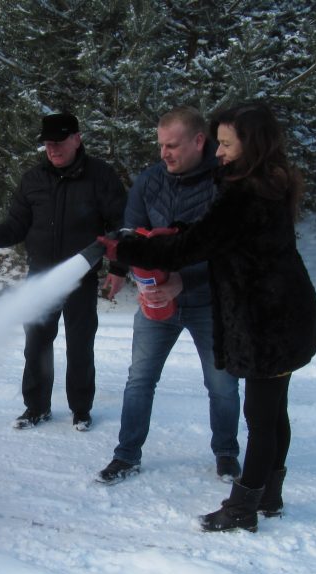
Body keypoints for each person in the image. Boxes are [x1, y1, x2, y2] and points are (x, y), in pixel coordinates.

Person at [101, 102, 316, 532]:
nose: (219, 153)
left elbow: (194, 246)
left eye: (225, 144)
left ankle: (242, 509)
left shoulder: (246, 194)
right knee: (274, 414)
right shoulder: (265, 183)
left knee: (260, 418)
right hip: (284, 313)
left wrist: (127, 252)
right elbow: (205, 235)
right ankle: (270, 496)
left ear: (249, 145)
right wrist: (171, 236)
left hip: (267, 320)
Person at [96, 107, 242, 486]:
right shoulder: (149, 181)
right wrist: (123, 271)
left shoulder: (224, 184)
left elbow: (230, 250)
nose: (164, 153)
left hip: (208, 304)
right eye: (161, 145)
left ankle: (226, 453)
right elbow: (131, 233)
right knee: (139, 380)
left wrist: (184, 282)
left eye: (172, 145)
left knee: (222, 384)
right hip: (155, 302)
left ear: (199, 141)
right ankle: (126, 455)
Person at [0, 112, 126, 430]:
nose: (52, 149)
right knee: (36, 343)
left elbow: (121, 225)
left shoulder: (101, 176)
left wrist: (119, 268)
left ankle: (81, 409)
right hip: (40, 277)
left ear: (77, 139)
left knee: (80, 345)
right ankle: (36, 407)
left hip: (80, 277)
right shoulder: (33, 179)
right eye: (47, 144)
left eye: (59, 142)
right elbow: (16, 225)